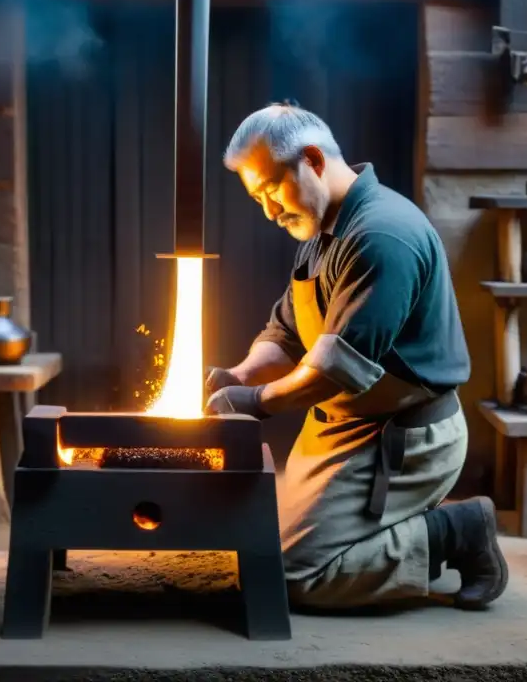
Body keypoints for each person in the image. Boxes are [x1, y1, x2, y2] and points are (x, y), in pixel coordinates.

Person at [204, 102, 508, 611]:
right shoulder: (323, 230)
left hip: (404, 438)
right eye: (257, 199)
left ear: (314, 161)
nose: (269, 212)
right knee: (257, 545)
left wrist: (252, 400)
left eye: (271, 191)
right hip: (339, 429)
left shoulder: (381, 237)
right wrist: (235, 375)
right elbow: (284, 334)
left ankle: (455, 531)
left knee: (292, 574)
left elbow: (333, 372)